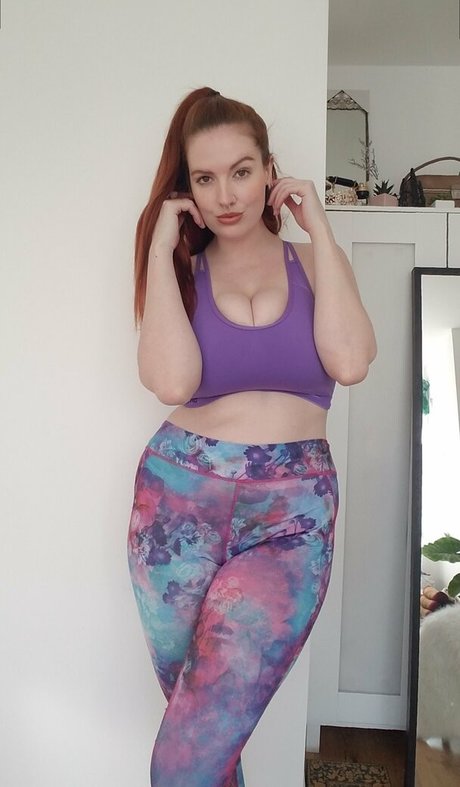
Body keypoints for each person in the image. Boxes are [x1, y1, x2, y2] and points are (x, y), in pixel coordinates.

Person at [127, 86, 377, 787]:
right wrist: (160, 248)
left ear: (271, 171)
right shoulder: (184, 271)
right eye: (204, 179)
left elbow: (351, 363)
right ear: (188, 192)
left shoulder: (314, 263)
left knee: (189, 755)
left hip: (292, 516)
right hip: (176, 505)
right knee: (207, 737)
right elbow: (172, 383)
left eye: (241, 171)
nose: (225, 195)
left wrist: (320, 229)